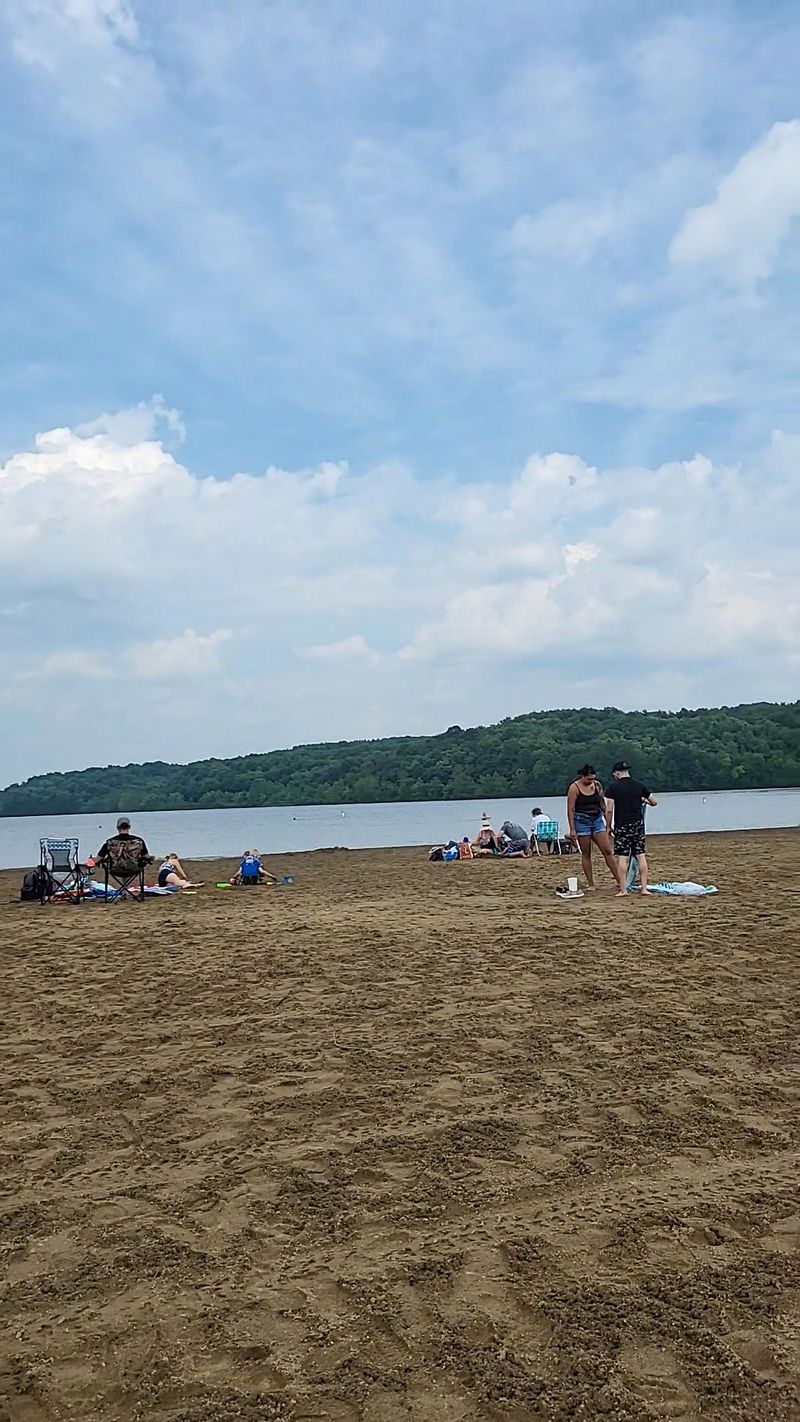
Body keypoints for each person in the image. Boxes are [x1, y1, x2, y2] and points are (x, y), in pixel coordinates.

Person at [566, 767, 623, 892]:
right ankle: (591, 883)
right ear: (583, 776)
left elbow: (602, 804)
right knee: (587, 853)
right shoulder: (574, 788)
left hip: (597, 820)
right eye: (589, 779)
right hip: (581, 821)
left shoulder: (597, 786)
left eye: (593, 778)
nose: (591, 781)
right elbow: (570, 809)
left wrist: (608, 823)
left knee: (607, 850)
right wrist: (572, 829)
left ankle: (620, 880)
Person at [605, 762, 657, 896]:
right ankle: (644, 888)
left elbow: (609, 809)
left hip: (622, 825)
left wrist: (608, 826)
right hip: (637, 825)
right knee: (640, 855)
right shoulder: (639, 786)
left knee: (623, 857)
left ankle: (623, 889)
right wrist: (644, 801)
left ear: (617, 773)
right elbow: (654, 802)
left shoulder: (613, 788)